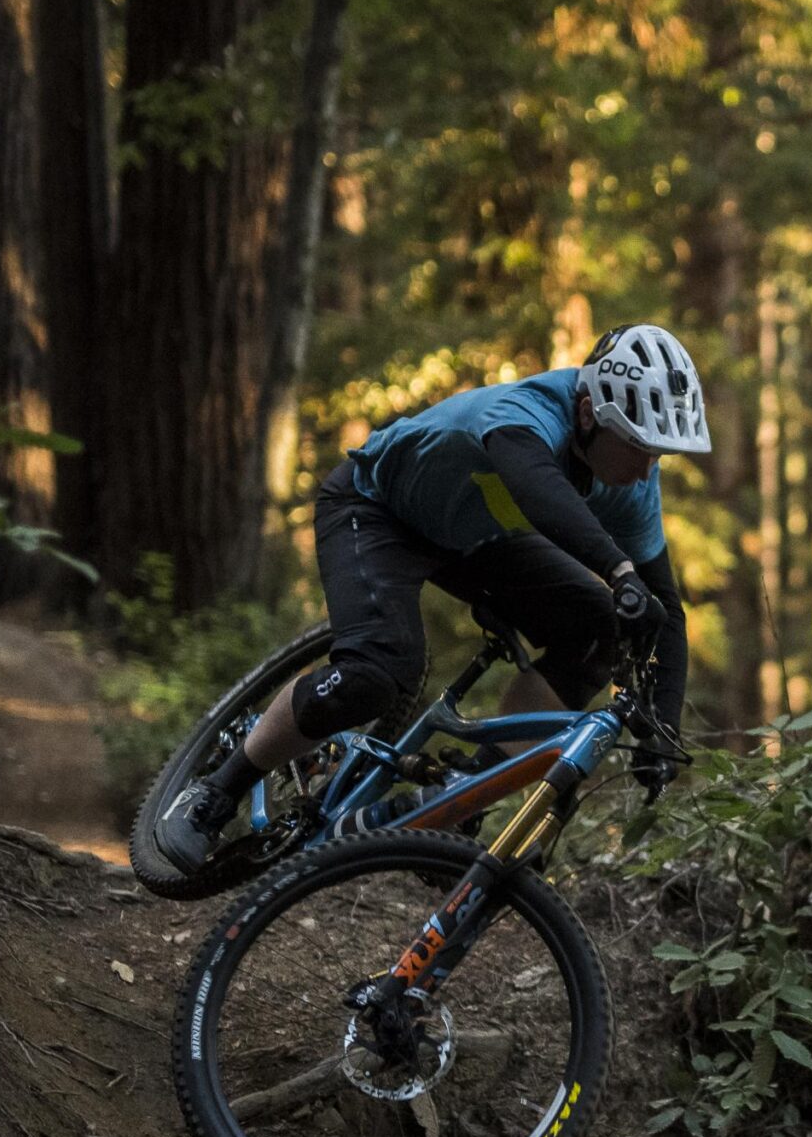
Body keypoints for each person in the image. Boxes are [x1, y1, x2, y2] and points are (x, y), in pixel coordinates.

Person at [150, 323, 705, 871]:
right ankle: (215, 793)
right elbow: (532, 477)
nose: (644, 469)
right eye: (637, 447)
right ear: (588, 414)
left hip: (473, 537)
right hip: (375, 508)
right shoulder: (533, 410)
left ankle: (460, 791)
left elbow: (666, 613)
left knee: (597, 628)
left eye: (656, 453)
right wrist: (616, 567)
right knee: (378, 671)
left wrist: (664, 730)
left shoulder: (633, 483)